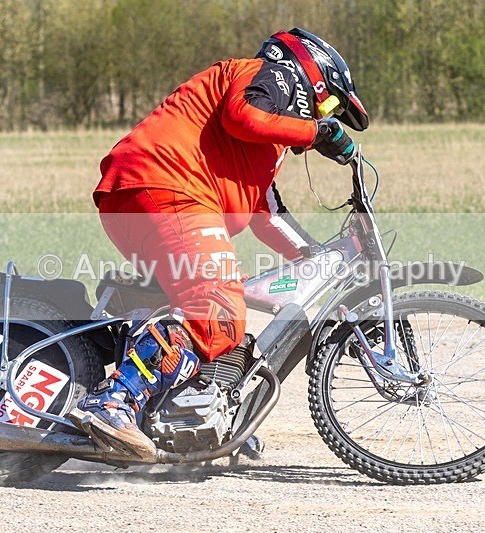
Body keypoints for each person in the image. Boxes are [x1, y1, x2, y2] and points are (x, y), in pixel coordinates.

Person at [69, 28, 369, 456]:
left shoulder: (267, 151)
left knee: (212, 304)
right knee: (218, 307)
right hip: (169, 187)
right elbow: (242, 114)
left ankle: (187, 418)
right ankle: (112, 403)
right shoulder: (268, 74)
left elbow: (267, 216)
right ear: (313, 77)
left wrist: (317, 257)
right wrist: (318, 133)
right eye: (331, 105)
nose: (329, 116)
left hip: (147, 195)